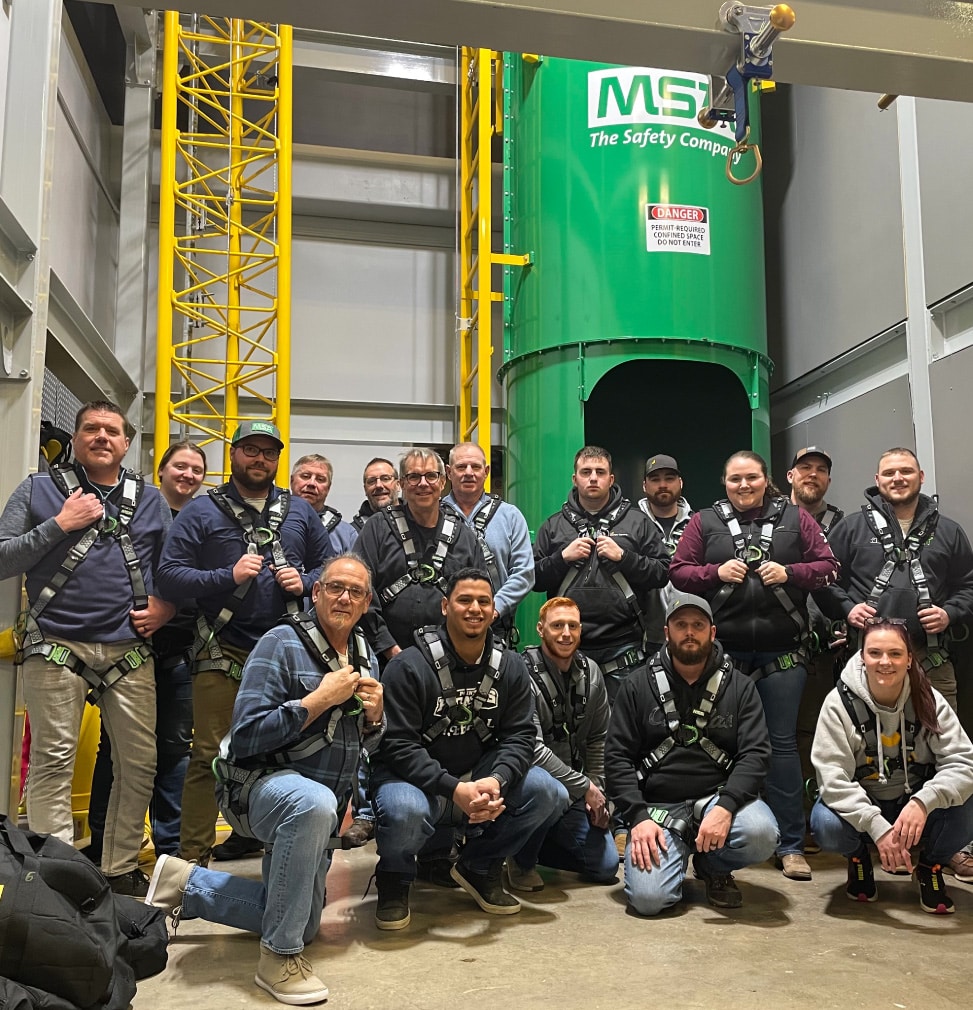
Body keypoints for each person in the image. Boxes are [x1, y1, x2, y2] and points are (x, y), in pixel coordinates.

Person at [145, 555, 383, 1005]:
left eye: (355, 592)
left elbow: (363, 745)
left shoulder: (364, 653)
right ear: (316, 592)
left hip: (317, 811)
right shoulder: (280, 642)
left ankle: (185, 883)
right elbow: (247, 734)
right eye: (335, 587)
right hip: (255, 787)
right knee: (311, 805)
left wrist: (375, 718)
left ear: (366, 603)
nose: (344, 598)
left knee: (304, 921)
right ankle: (278, 958)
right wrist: (316, 700)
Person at [0, 400, 175, 895]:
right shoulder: (38, 490)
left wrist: (166, 607)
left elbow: (173, 567)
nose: (101, 436)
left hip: (128, 649)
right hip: (55, 642)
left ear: (126, 443)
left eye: (112, 430)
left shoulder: (150, 499)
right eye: (91, 429)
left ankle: (118, 867)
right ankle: (60, 877)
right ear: (75, 439)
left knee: (138, 763)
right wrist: (60, 523)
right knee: (53, 759)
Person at [156, 419, 332, 865]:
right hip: (224, 649)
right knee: (208, 755)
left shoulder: (300, 512)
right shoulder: (201, 511)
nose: (260, 459)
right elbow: (169, 576)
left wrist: (305, 580)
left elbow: (331, 567)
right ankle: (191, 860)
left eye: (268, 452)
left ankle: (282, 849)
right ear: (233, 454)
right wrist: (226, 576)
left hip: (286, 653)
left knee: (286, 752)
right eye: (250, 450)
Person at [669, 450, 838, 881]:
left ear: (767, 480)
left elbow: (828, 568)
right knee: (721, 745)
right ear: (724, 483)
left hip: (783, 655)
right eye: (735, 479)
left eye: (751, 478)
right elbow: (679, 571)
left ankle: (790, 845)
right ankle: (722, 835)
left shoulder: (797, 519)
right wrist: (714, 573)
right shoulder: (704, 522)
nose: (743, 485)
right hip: (723, 657)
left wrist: (791, 573)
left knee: (781, 747)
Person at [369, 568, 563, 929]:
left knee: (548, 791)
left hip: (477, 774)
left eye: (483, 601)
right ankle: (394, 877)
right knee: (404, 811)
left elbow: (521, 736)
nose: (475, 608)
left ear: (493, 609)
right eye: (464, 600)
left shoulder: (511, 666)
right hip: (415, 782)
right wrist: (454, 788)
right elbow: (397, 745)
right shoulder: (408, 666)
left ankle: (479, 865)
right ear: (445, 606)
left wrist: (498, 780)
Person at [817, 447, 973, 882]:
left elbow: (969, 585)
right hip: (869, 662)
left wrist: (951, 613)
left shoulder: (949, 531)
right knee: (862, 747)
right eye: (889, 472)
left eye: (906, 471)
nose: (898, 478)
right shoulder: (852, 528)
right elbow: (825, 579)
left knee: (941, 753)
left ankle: (942, 849)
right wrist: (847, 609)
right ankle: (867, 839)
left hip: (929, 657)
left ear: (921, 476)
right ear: (877, 479)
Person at [605, 593, 777, 915]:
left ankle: (712, 865)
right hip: (657, 809)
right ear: (666, 632)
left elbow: (756, 755)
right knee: (649, 900)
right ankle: (673, 857)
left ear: (712, 633)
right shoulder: (636, 686)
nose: (689, 632)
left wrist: (726, 807)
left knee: (760, 833)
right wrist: (637, 818)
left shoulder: (740, 687)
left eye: (698, 625)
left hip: (716, 800)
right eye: (680, 624)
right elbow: (617, 758)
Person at [87, 440, 207, 864]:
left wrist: (169, 608)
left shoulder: (204, 521)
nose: (188, 474)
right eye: (180, 466)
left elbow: (206, 586)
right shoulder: (136, 514)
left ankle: (169, 850)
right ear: (161, 470)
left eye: (196, 469)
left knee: (174, 751)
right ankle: (102, 845)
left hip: (178, 653)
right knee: (115, 750)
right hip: (128, 649)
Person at [810, 618, 973, 914]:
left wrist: (924, 801)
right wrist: (876, 826)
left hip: (914, 808)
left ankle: (930, 867)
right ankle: (858, 859)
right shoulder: (838, 704)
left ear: (909, 659)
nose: (885, 662)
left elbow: (963, 763)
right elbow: (832, 779)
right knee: (825, 823)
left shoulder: (929, 700)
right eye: (875, 653)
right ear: (862, 657)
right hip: (865, 805)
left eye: (895, 654)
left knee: (967, 806)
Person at [533, 446, 670, 704]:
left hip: (624, 648)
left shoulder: (637, 522)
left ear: (611, 478)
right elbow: (534, 579)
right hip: (566, 645)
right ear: (575, 479)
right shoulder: (553, 526)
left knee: (623, 725)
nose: (593, 478)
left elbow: (662, 573)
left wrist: (625, 558)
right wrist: (562, 558)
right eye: (586, 472)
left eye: (600, 472)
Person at [510, 597, 618, 889]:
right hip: (530, 787)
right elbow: (532, 750)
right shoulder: (520, 672)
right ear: (540, 629)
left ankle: (533, 841)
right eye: (557, 625)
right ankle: (520, 858)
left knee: (606, 866)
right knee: (549, 790)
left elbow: (599, 739)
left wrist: (597, 791)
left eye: (573, 626)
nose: (566, 634)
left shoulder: (592, 672)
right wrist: (585, 787)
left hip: (570, 790)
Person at [355, 447, 483, 660]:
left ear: (442, 482)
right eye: (414, 477)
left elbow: (478, 596)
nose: (423, 483)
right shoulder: (377, 529)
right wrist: (389, 649)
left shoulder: (464, 536)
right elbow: (359, 589)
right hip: (383, 657)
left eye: (431, 476)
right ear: (402, 484)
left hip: (451, 657)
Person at [443, 441, 534, 641]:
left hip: (496, 627)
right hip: (444, 627)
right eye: (461, 467)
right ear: (449, 472)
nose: (469, 473)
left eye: (475, 467)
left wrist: (494, 609)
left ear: (486, 472)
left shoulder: (510, 516)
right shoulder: (434, 517)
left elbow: (524, 573)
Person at [637, 453, 694, 655]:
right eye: (655, 479)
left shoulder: (698, 525)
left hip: (689, 633)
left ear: (680, 483)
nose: (663, 485)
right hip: (644, 636)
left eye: (669, 478)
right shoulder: (632, 525)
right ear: (644, 486)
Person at [291, 453, 358, 552]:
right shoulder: (271, 521)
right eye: (305, 476)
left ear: (328, 487)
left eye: (320, 479)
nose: (312, 483)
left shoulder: (347, 534)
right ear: (291, 480)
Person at [350, 457, 400, 532]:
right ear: (365, 489)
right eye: (371, 481)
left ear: (398, 485)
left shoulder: (415, 520)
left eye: (385, 479)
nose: (378, 485)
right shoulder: (352, 533)